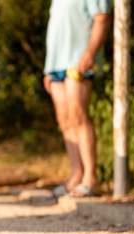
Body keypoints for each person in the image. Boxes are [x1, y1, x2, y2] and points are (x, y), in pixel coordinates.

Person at [43, 0, 111, 197]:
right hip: (56, 64)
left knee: (78, 116)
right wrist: (49, 68)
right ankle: (76, 177)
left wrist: (90, 54)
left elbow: (102, 18)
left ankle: (91, 178)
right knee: (64, 120)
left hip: (78, 61)